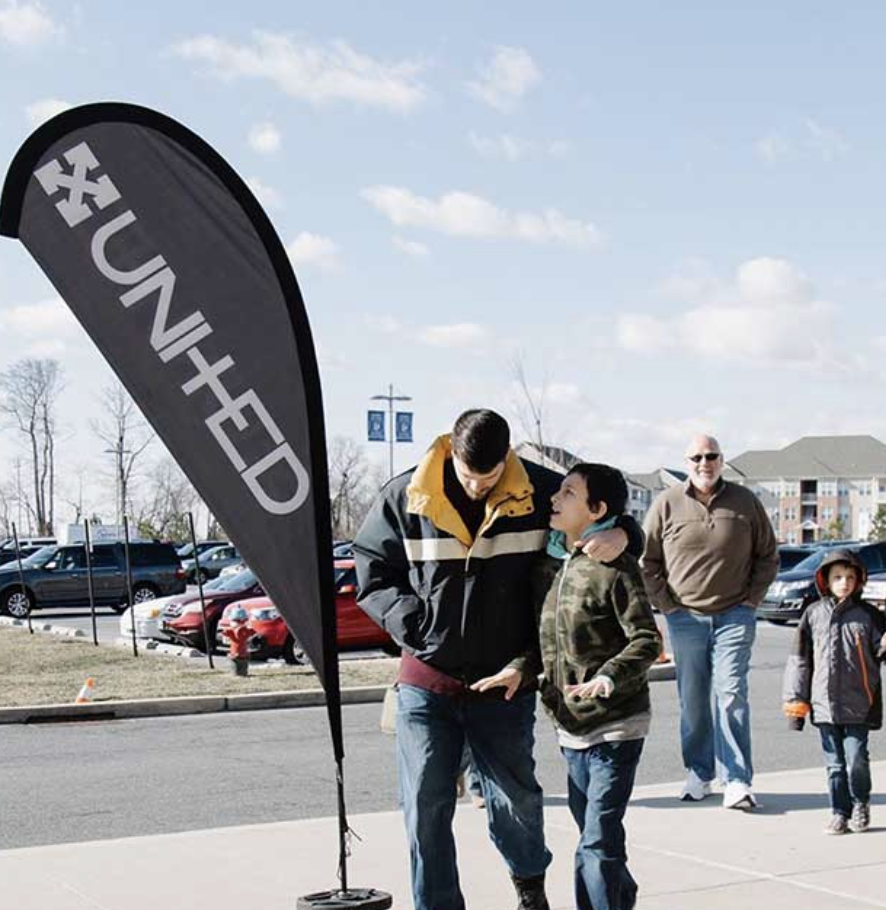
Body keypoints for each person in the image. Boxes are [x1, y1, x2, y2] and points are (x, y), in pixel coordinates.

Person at [354, 409, 643, 910]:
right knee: (425, 808)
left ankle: (530, 887)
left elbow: (600, 510)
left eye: (489, 478)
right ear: (453, 456)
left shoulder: (539, 491)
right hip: (427, 682)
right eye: (469, 477)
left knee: (517, 803)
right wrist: (417, 626)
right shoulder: (406, 496)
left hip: (504, 684)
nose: (478, 487)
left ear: (506, 459)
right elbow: (372, 572)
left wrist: (629, 534)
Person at [478, 463, 660, 910]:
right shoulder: (552, 567)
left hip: (617, 727)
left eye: (567, 493)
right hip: (570, 729)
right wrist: (519, 668)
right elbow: (545, 641)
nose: (554, 499)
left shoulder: (614, 567)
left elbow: (647, 639)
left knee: (595, 844)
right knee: (596, 835)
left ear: (597, 509)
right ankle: (621, 893)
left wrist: (608, 678)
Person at [641, 434, 778, 809]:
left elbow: (768, 555)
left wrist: (751, 601)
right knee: (694, 701)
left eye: (712, 456)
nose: (705, 463)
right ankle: (699, 773)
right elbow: (647, 562)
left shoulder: (745, 502)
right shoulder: (666, 504)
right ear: (687, 462)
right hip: (685, 618)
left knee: (731, 695)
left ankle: (736, 780)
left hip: (735, 615)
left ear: (722, 459)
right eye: (697, 457)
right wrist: (667, 607)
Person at [783, 549, 886, 834]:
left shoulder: (869, 615)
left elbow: (879, 652)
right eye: (838, 577)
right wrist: (795, 702)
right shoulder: (813, 615)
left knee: (856, 761)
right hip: (823, 704)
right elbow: (799, 661)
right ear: (825, 580)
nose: (844, 582)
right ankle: (839, 812)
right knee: (835, 766)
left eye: (850, 577)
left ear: (859, 581)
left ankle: (861, 803)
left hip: (860, 704)